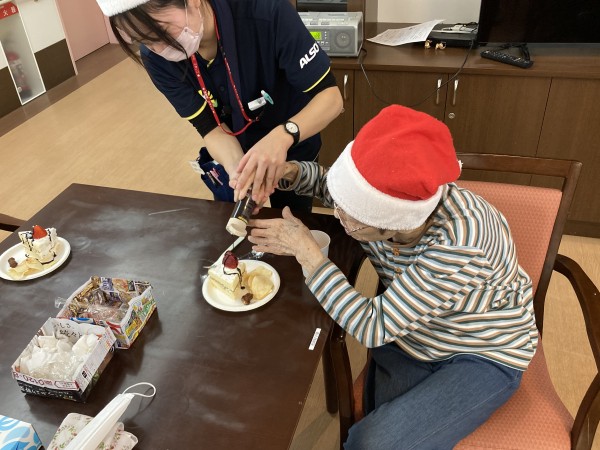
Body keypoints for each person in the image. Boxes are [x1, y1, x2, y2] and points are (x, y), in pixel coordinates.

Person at [247, 105, 538, 449]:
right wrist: (290, 173)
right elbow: (334, 188)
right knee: (373, 433)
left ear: (392, 224)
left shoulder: (461, 242)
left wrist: (308, 254)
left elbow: (372, 325)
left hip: (480, 350)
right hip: (411, 335)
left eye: (350, 218)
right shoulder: (387, 204)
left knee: (371, 442)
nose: (338, 215)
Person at [95, 0, 343, 211]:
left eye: (161, 31)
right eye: (144, 40)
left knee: (294, 218)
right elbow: (210, 128)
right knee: (235, 226)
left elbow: (331, 98)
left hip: (295, 138)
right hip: (236, 146)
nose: (160, 48)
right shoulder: (156, 59)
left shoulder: (265, 11)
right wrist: (238, 172)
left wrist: (282, 137)